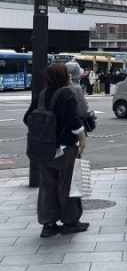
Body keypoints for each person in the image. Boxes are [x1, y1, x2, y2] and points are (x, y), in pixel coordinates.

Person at [23, 63, 89, 237]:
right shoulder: (67, 93)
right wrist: (81, 138)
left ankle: (48, 223)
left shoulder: (42, 95)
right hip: (65, 147)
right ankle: (70, 221)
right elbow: (74, 121)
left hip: (45, 148)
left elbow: (27, 118)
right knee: (67, 184)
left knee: (48, 186)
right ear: (63, 76)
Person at [65, 61, 97, 132]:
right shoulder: (76, 88)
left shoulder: (59, 85)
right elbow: (82, 110)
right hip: (72, 127)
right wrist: (91, 114)